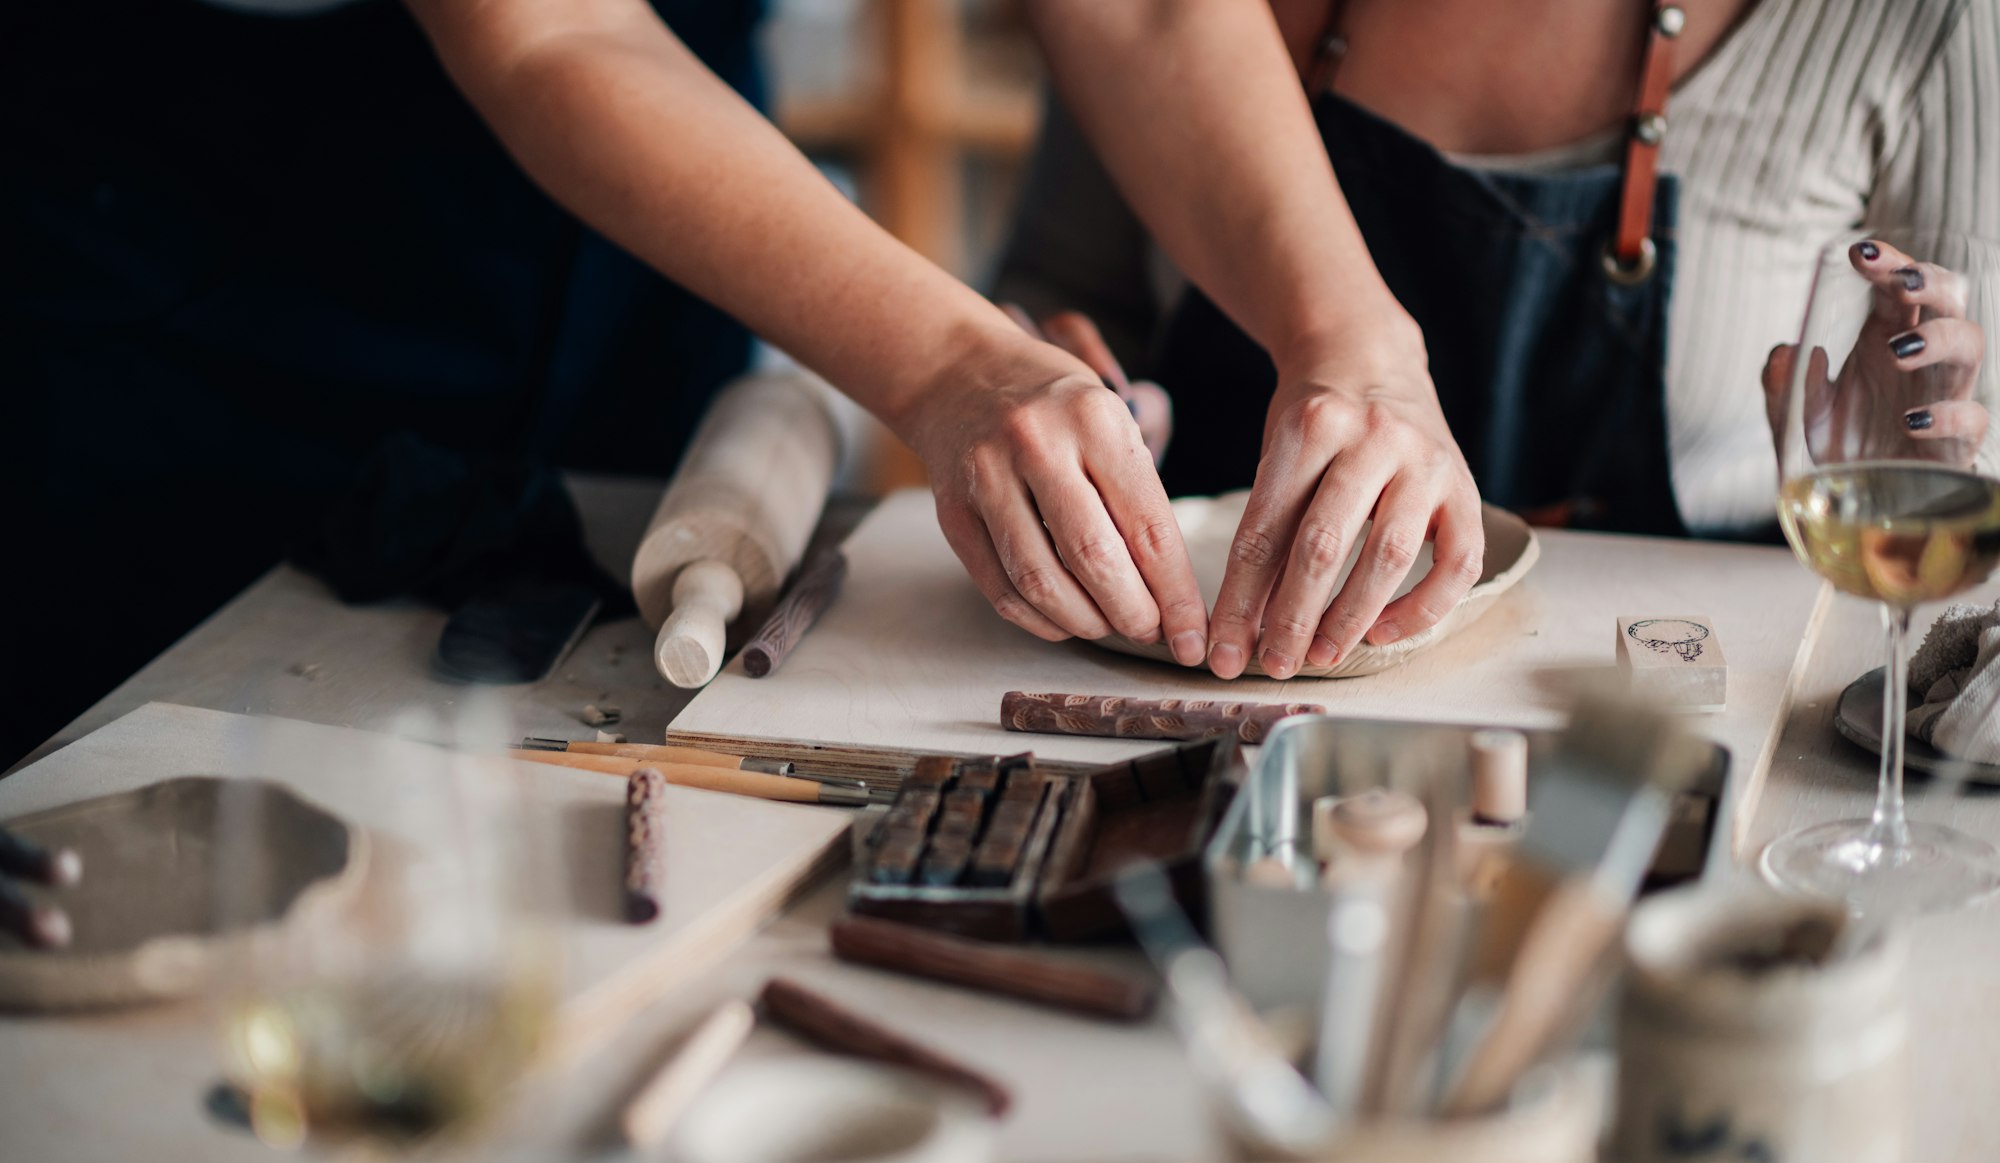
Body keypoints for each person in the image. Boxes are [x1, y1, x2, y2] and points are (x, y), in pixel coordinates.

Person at [1, 0, 1515, 765]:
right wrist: (950, 362)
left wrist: (1360, 344)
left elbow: (1144, 10)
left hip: (655, 208)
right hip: (193, 247)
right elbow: (551, 27)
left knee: (612, 713)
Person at [998, 0, 2000, 676]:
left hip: (1650, 714)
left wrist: (1916, 470)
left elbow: (1973, 499)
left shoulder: (1919, 24)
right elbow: (1059, 291)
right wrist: (1050, 382)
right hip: (1211, 687)